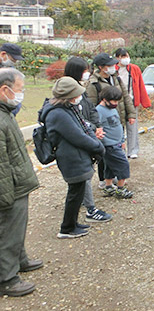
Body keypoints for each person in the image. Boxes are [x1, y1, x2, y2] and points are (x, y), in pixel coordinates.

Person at [42, 77, 105, 239]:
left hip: (77, 156)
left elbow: (84, 128)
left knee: (77, 193)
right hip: (71, 159)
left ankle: (73, 223)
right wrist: (97, 146)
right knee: (74, 194)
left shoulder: (67, 108)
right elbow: (77, 136)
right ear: (68, 95)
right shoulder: (57, 114)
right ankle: (67, 228)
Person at [0, 68, 42, 297]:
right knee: (7, 232)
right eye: (19, 90)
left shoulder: (6, 112)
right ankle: (7, 278)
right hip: (10, 189)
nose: (21, 94)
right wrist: (5, 197)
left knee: (17, 229)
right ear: (5, 89)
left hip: (17, 184)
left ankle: (19, 260)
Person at [63, 57, 112, 222]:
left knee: (85, 173)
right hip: (78, 138)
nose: (87, 73)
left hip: (87, 132)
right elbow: (74, 119)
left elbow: (90, 110)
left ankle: (83, 202)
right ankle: (90, 209)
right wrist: (91, 130)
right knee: (83, 174)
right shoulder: (66, 90)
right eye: (85, 70)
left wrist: (97, 126)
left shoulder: (80, 88)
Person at [85, 52, 136, 189]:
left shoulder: (116, 78)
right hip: (103, 123)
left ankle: (112, 178)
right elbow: (91, 106)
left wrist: (131, 113)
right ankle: (104, 180)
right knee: (104, 154)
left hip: (116, 118)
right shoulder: (93, 84)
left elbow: (125, 96)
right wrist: (96, 126)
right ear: (101, 67)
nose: (113, 66)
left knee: (117, 147)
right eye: (110, 65)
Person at [95, 86, 133, 199]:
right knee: (123, 165)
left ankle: (108, 186)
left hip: (117, 142)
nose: (115, 103)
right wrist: (106, 142)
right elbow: (98, 128)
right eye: (113, 101)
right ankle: (120, 189)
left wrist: (122, 140)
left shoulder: (112, 108)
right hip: (109, 145)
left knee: (110, 166)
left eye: (117, 101)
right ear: (104, 99)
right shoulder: (99, 111)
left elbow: (117, 125)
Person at [114, 48, 151, 159]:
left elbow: (140, 85)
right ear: (117, 58)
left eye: (127, 56)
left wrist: (144, 101)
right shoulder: (114, 70)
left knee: (132, 126)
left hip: (132, 100)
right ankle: (120, 150)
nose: (126, 59)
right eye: (123, 56)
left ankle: (133, 150)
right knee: (118, 127)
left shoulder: (134, 69)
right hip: (117, 102)